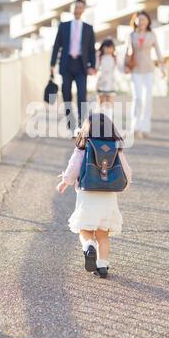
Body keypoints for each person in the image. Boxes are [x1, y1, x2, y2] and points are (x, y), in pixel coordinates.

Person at [56, 113, 132, 279]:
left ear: (86, 130)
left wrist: (64, 182)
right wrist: (124, 184)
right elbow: (127, 171)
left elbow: (73, 169)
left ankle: (88, 245)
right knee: (103, 234)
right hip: (108, 196)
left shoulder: (83, 148)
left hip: (87, 195)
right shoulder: (115, 147)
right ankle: (102, 265)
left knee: (85, 230)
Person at [50, 0, 96, 132]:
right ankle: (71, 125)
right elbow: (57, 46)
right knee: (66, 94)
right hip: (67, 64)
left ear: (84, 10)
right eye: (76, 7)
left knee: (82, 95)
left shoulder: (88, 28)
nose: (78, 10)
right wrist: (52, 64)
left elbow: (91, 49)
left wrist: (92, 65)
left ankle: (82, 126)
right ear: (72, 9)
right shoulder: (63, 26)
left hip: (81, 66)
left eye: (80, 7)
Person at [125, 11, 167, 139]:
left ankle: (145, 128)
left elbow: (158, 52)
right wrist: (126, 66)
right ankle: (135, 127)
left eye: (144, 19)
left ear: (148, 21)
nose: (142, 22)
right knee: (137, 99)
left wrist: (162, 68)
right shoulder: (131, 35)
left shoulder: (152, 35)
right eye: (139, 20)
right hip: (136, 71)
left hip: (149, 70)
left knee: (148, 99)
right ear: (135, 21)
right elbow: (127, 52)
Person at [96, 38, 117, 120]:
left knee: (109, 102)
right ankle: (100, 120)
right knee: (101, 102)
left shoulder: (114, 58)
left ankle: (108, 120)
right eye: (106, 47)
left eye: (110, 47)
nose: (108, 49)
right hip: (101, 82)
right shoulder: (100, 57)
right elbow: (96, 67)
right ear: (103, 48)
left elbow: (118, 68)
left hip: (111, 82)